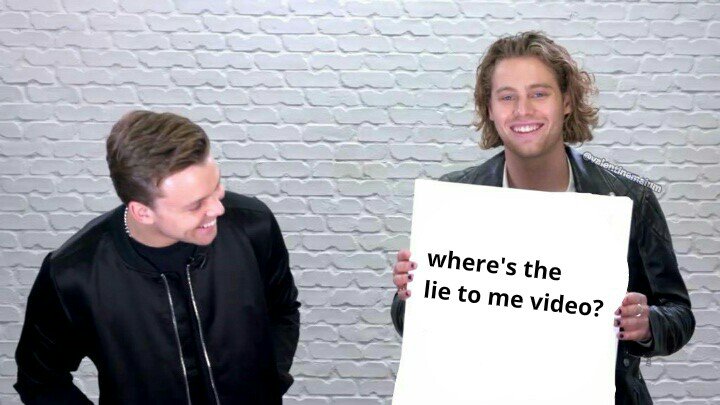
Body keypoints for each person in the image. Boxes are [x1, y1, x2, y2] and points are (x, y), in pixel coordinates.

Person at [390, 31, 694, 405]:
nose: (523, 110)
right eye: (507, 97)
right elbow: (411, 327)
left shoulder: (630, 200)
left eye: (538, 93)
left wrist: (647, 324)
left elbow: (679, 315)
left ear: (566, 101)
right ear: (489, 108)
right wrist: (411, 293)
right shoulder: (454, 201)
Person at [15, 111, 300, 404]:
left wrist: (268, 383)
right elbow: (40, 380)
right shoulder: (73, 275)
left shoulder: (253, 226)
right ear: (143, 212)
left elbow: (283, 309)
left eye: (216, 187)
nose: (218, 209)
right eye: (196, 205)